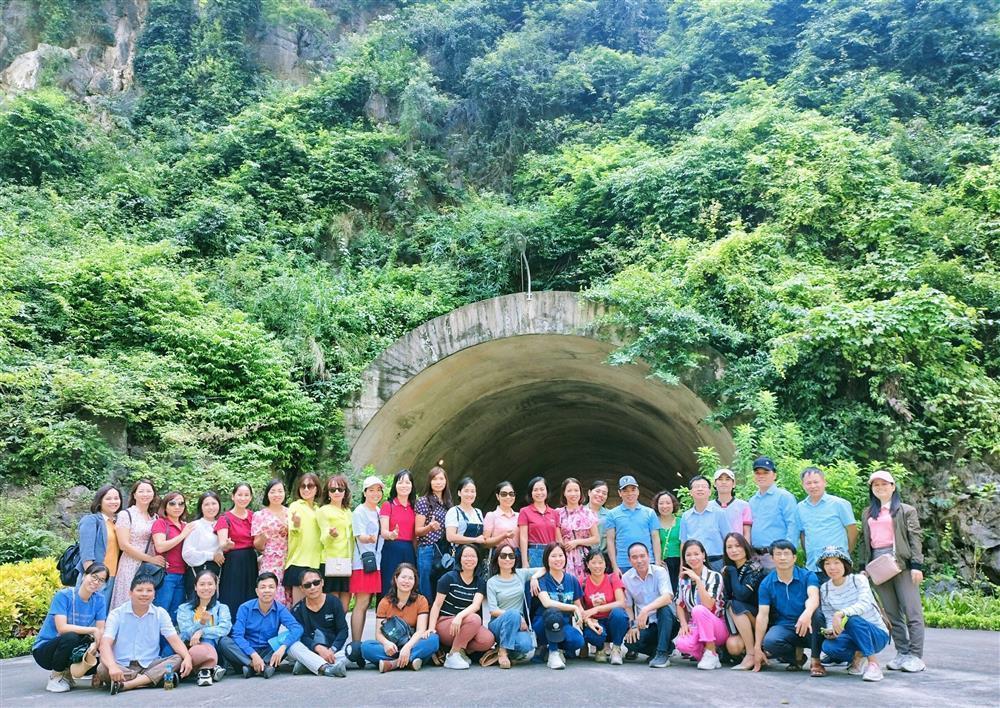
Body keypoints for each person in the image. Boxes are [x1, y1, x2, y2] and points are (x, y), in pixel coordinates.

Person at [859, 469, 927, 673]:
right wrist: (863, 568)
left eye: (884, 484)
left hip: (902, 564)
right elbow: (865, 542)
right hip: (878, 566)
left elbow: (915, 538)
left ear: (893, 486)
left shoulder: (906, 510)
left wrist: (917, 565)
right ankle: (902, 652)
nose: (880, 488)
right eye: (875, 485)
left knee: (912, 610)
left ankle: (916, 655)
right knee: (891, 612)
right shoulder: (867, 513)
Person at [97, 574, 196, 694]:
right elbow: (105, 644)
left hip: (150, 665)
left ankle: (129, 684)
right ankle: (150, 680)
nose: (144, 594)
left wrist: (187, 657)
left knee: (178, 658)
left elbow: (174, 639)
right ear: (130, 593)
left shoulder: (160, 613)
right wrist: (112, 666)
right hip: (122, 666)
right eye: (139, 590)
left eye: (149, 590)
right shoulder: (116, 614)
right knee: (102, 668)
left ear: (154, 594)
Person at [816, 546, 889, 682]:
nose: (832, 567)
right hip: (850, 636)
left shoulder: (858, 580)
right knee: (828, 646)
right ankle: (858, 657)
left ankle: (873, 665)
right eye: (827, 563)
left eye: (837, 562)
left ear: (845, 564)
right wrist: (831, 629)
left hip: (876, 634)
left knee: (852, 619)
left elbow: (864, 604)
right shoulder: (825, 588)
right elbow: (828, 614)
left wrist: (841, 613)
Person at [32, 563, 109, 693]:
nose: (96, 582)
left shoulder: (99, 600)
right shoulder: (64, 595)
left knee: (99, 655)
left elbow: (101, 629)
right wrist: (93, 631)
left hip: (70, 645)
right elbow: (62, 628)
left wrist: (95, 646)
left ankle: (68, 675)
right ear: (84, 576)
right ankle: (56, 677)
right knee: (71, 636)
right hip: (45, 651)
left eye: (101, 580)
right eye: (94, 577)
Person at [752, 539, 823, 676]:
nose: (783, 557)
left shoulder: (808, 575)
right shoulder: (767, 583)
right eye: (778, 554)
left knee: (817, 615)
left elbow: (814, 597)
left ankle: (816, 661)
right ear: (772, 558)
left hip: (810, 625)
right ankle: (797, 658)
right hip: (787, 626)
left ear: (794, 557)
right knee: (770, 642)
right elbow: (763, 615)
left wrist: (807, 613)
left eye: (786, 553)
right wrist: (757, 647)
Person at [218, 572, 303, 678]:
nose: (267, 590)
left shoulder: (280, 609)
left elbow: (297, 628)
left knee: (289, 638)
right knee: (224, 641)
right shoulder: (245, 608)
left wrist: (283, 647)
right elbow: (237, 635)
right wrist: (253, 655)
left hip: (268, 651)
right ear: (257, 591)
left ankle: (252, 669)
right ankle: (257, 666)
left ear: (276, 590)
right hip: (246, 652)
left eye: (271, 587)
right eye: (263, 587)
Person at [361, 563, 440, 672]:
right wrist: (386, 643)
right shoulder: (385, 602)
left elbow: (420, 630)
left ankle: (393, 663)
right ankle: (411, 661)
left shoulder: (421, 600)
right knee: (366, 647)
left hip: (412, 643)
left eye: (410, 578)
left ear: (414, 582)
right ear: (396, 579)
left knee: (433, 639)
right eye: (403, 577)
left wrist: (407, 647)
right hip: (393, 646)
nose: (406, 581)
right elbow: (378, 634)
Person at [428, 544, 494, 669]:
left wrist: (460, 616)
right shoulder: (448, 578)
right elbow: (436, 605)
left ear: (478, 559)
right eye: (466, 556)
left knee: (488, 640)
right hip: (446, 623)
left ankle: (460, 649)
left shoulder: (480, 582)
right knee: (475, 619)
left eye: (473, 556)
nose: (469, 559)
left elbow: (476, 605)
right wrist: (431, 628)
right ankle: (453, 655)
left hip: (465, 622)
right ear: (459, 559)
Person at [674, 539, 728, 670]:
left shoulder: (714, 576)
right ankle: (710, 655)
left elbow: (709, 605)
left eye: (696, 554)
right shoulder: (683, 579)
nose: (693, 558)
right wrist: (683, 624)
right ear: (684, 558)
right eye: (688, 555)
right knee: (682, 644)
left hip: (717, 625)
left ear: (703, 555)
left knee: (698, 610)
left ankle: (711, 651)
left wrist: (698, 580)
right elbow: (679, 604)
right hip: (696, 625)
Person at [621, 542, 677, 668]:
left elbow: (667, 597)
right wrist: (633, 625)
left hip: (667, 622)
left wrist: (646, 609)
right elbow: (628, 606)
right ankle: (665, 648)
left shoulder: (660, 572)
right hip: (646, 625)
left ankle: (662, 654)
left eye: (642, 556)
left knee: (663, 609)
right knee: (630, 642)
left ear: (649, 556)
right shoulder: (626, 578)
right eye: (634, 557)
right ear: (630, 560)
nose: (639, 560)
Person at [110, 480, 163, 610]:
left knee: (146, 602)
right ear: (134, 495)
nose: (145, 494)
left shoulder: (155, 517)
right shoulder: (126, 515)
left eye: (148, 491)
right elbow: (124, 545)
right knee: (127, 600)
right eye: (141, 491)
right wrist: (150, 559)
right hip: (130, 563)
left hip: (148, 568)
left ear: (153, 494)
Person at [348, 475, 384, 668]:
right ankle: (356, 644)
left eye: (378, 490)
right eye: (371, 490)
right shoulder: (360, 511)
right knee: (361, 603)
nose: (375, 493)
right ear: (364, 492)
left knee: (369, 601)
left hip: (376, 563)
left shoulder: (379, 511)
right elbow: (359, 535)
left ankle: (363, 645)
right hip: (363, 564)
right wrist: (368, 538)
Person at [533, 543, 587, 670]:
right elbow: (547, 603)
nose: (558, 559)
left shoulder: (572, 580)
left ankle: (558, 648)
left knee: (578, 641)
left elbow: (578, 605)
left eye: (560, 555)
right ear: (547, 558)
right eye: (553, 556)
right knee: (553, 612)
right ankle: (553, 653)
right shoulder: (542, 579)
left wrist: (585, 619)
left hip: (564, 624)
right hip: (543, 623)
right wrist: (573, 608)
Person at [797, 466, 858, 577]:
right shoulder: (799, 508)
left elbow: (852, 530)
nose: (813, 486)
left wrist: (846, 552)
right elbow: (803, 535)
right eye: (808, 483)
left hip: (837, 567)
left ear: (824, 482)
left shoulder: (839, 504)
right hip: (812, 566)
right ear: (803, 485)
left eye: (816, 482)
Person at [485, 541, 536, 668]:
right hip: (498, 623)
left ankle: (507, 650)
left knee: (526, 645)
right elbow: (493, 611)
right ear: (497, 559)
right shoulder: (492, 582)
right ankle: (502, 651)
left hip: (517, 625)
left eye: (511, 556)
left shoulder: (520, 574)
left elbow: (545, 568)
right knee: (513, 613)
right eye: (503, 556)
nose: (507, 559)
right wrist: (518, 617)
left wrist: (534, 578)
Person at [176, 569, 231, 687]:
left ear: (216, 586)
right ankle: (207, 669)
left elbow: (225, 628)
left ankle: (192, 669)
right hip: (188, 645)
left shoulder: (222, 608)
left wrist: (202, 631)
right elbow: (185, 632)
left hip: (212, 646)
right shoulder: (184, 608)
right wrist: (201, 622)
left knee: (205, 642)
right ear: (195, 587)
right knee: (195, 646)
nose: (206, 588)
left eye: (210, 584)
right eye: (202, 584)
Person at [289, 569, 349, 677]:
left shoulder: (334, 602)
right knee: (292, 646)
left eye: (316, 583)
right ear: (302, 589)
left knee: (354, 649)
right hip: (311, 649)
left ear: (322, 583)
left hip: (333, 650)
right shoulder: (297, 610)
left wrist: (332, 649)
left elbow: (343, 630)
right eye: (307, 585)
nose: (313, 587)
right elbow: (302, 636)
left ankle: (309, 664)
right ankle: (327, 668)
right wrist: (318, 648)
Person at [722, 532, 767, 671]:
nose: (734, 550)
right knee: (733, 647)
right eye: (729, 547)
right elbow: (727, 597)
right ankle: (757, 651)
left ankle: (751, 654)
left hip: (760, 618)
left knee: (735, 604)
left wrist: (732, 571)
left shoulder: (755, 567)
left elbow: (741, 595)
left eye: (737, 546)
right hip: (740, 620)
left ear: (745, 547)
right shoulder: (730, 569)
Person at [747, 457, 798, 569]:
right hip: (755, 557)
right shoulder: (752, 501)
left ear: (774, 475)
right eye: (757, 473)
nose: (761, 476)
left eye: (765, 472)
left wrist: (786, 553)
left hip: (776, 556)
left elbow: (793, 525)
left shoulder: (784, 497)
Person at [215, 482, 256, 620]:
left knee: (250, 594)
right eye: (239, 495)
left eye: (246, 495)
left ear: (250, 497)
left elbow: (258, 541)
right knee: (232, 594)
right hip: (233, 561)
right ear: (233, 496)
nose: (243, 498)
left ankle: (248, 628)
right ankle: (229, 627)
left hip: (250, 559)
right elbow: (222, 544)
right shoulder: (225, 518)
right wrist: (227, 545)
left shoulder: (253, 516)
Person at [580, 548, 628, 665]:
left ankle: (616, 649)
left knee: (619, 613)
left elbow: (621, 602)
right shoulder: (583, 582)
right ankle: (600, 648)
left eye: (600, 562)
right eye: (593, 562)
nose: (597, 566)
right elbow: (581, 610)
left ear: (606, 564)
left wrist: (596, 608)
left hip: (612, 622)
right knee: (592, 634)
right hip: (595, 622)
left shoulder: (613, 578)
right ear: (587, 564)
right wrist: (589, 620)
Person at [606, 475, 660, 577]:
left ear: (638, 491)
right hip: (623, 564)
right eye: (625, 490)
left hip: (647, 561)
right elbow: (610, 540)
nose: (629, 493)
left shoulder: (649, 512)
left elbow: (655, 538)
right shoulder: (612, 514)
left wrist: (657, 563)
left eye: (633, 489)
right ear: (619, 493)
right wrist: (615, 566)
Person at [77, 485, 121, 609]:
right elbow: (86, 553)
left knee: (101, 615)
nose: (113, 502)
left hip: (112, 576)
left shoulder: (117, 522)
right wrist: (93, 578)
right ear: (100, 501)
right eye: (108, 499)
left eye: (116, 498)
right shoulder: (91, 520)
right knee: (85, 612)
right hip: (96, 576)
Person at [151, 491, 192, 623]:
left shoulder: (185, 525)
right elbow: (160, 546)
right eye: (172, 503)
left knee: (175, 615)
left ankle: (169, 644)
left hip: (183, 575)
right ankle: (155, 643)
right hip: (166, 575)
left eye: (181, 504)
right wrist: (182, 535)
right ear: (165, 506)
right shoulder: (161, 523)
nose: (177, 507)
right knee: (161, 613)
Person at [414, 461, 452, 600]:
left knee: (442, 584)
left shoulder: (448, 503)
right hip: (427, 549)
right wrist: (430, 527)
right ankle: (425, 615)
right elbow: (417, 531)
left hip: (444, 550)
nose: (438, 482)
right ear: (429, 482)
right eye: (434, 479)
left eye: (441, 479)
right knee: (426, 585)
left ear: (446, 481)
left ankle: (439, 616)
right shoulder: (424, 501)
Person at [317, 474, 353, 609]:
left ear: (345, 492)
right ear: (328, 493)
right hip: (331, 561)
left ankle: (342, 629)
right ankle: (332, 629)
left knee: (346, 598)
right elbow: (323, 539)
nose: (337, 492)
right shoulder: (323, 511)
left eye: (340, 489)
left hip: (347, 560)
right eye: (332, 490)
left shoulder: (348, 511)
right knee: (333, 603)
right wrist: (331, 535)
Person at [286, 473, 323, 606]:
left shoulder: (318, 509)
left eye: (310, 486)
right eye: (303, 486)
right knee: (298, 606)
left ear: (317, 488)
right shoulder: (296, 506)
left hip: (316, 562)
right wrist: (296, 523)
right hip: (299, 560)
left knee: (314, 605)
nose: (306, 489)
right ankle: (297, 628)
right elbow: (293, 531)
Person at [679, 476, 730, 571]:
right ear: (690, 492)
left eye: (703, 486)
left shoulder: (720, 514)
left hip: (716, 562)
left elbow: (728, 539)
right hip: (693, 563)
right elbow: (683, 543)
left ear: (709, 492)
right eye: (696, 486)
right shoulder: (686, 516)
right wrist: (682, 568)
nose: (700, 489)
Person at [380, 469, 418, 597]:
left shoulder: (414, 507)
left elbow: (415, 534)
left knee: (408, 584)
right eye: (400, 482)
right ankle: (384, 615)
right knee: (389, 583)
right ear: (395, 485)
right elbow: (383, 531)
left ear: (412, 486)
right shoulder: (388, 505)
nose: (404, 486)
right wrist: (391, 534)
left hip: (409, 550)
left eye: (407, 482)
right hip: (391, 548)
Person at [252, 479, 289, 606]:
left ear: (285, 493)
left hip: (289, 559)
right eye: (273, 491)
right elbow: (257, 544)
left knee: (290, 595)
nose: (276, 494)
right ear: (267, 494)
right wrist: (264, 537)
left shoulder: (291, 513)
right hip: (270, 561)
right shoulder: (260, 515)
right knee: (271, 593)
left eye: (280, 491)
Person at [556, 478, 599, 586]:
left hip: (584, 556)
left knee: (586, 587)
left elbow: (596, 538)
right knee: (567, 587)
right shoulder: (558, 513)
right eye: (569, 491)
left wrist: (576, 542)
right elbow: (557, 538)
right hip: (564, 556)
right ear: (564, 493)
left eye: (576, 490)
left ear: (581, 492)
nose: (573, 494)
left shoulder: (588, 513)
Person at [182, 492, 225, 596]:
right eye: (206, 504)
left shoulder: (223, 524)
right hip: (199, 572)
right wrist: (211, 556)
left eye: (214, 503)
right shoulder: (195, 526)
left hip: (219, 572)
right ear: (201, 507)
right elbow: (187, 554)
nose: (211, 507)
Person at [518, 476, 558, 569]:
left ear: (547, 491)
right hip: (534, 553)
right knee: (535, 582)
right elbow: (523, 538)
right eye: (535, 490)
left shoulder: (554, 513)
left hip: (552, 553)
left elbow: (557, 538)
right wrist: (524, 561)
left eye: (542, 489)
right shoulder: (525, 511)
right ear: (531, 493)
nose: (539, 492)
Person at [446, 476, 486, 553]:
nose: (469, 494)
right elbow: (450, 537)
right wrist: (475, 540)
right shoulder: (454, 511)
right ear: (459, 493)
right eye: (466, 491)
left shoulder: (478, 512)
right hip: (459, 554)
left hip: (476, 555)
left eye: (472, 491)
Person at [652, 490, 682, 593]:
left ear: (673, 504)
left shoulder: (681, 522)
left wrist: (683, 566)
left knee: (677, 589)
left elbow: (684, 544)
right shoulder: (653, 521)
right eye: (661, 503)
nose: (665, 506)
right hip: (661, 562)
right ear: (657, 505)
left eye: (668, 503)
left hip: (678, 561)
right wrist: (657, 562)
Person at [483, 480, 520, 561]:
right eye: (504, 494)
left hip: (517, 556)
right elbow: (485, 543)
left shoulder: (519, 516)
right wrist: (503, 536)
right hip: (500, 556)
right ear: (497, 496)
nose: (508, 497)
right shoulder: (491, 515)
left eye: (511, 494)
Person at [712, 468, 752, 541]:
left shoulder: (743, 506)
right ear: (714, 483)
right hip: (714, 551)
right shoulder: (708, 507)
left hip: (736, 549)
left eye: (727, 479)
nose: (724, 482)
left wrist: (746, 550)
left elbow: (747, 533)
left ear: (734, 484)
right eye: (720, 479)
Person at [587, 480, 611, 555]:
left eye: (604, 493)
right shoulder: (579, 512)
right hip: (582, 557)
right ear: (589, 492)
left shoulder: (610, 515)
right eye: (597, 491)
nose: (600, 495)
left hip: (603, 558)